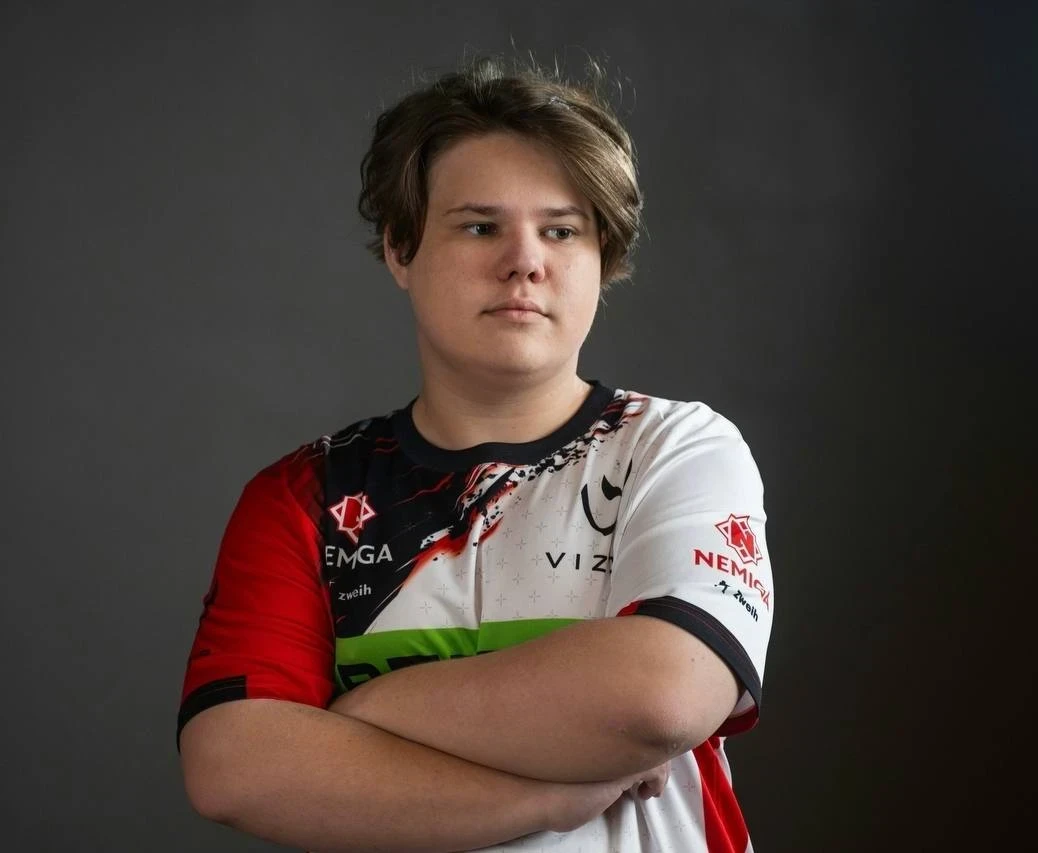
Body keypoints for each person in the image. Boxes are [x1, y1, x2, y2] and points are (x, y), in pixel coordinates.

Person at [176, 55, 775, 852]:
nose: (525, 260)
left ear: (602, 257)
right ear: (401, 248)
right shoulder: (303, 496)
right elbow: (235, 768)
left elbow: (661, 698)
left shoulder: (680, 449)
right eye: (480, 226)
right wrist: (548, 797)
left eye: (561, 230)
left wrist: (366, 709)